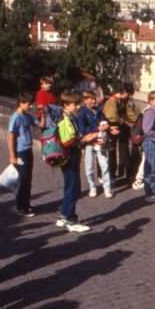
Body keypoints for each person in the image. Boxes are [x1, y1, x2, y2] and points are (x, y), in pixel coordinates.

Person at [55, 92, 97, 232]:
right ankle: (70, 219)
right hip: (70, 157)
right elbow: (68, 141)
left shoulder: (68, 117)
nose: (78, 106)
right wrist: (85, 139)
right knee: (74, 188)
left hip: (68, 157)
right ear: (66, 105)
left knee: (69, 186)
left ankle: (63, 215)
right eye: (75, 104)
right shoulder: (65, 119)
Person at [7, 92, 38, 217]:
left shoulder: (26, 116)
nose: (30, 106)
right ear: (21, 103)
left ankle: (26, 203)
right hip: (20, 151)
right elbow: (11, 137)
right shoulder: (16, 117)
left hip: (28, 149)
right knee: (23, 179)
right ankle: (21, 207)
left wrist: (44, 112)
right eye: (29, 104)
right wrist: (12, 156)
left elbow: (39, 124)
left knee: (28, 179)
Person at [79, 91, 112, 199]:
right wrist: (97, 129)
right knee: (89, 167)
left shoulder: (98, 111)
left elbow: (104, 122)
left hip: (100, 141)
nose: (93, 101)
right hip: (89, 143)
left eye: (94, 98)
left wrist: (108, 127)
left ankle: (107, 187)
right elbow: (82, 129)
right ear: (85, 100)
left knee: (104, 165)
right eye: (91, 99)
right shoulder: (82, 112)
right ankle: (92, 186)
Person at [101, 82, 133, 182]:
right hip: (111, 127)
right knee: (112, 151)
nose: (129, 96)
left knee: (124, 149)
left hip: (121, 127)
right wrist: (125, 121)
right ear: (123, 92)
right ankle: (112, 174)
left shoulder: (123, 100)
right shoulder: (112, 101)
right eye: (128, 94)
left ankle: (125, 173)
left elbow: (129, 113)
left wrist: (135, 120)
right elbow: (112, 117)